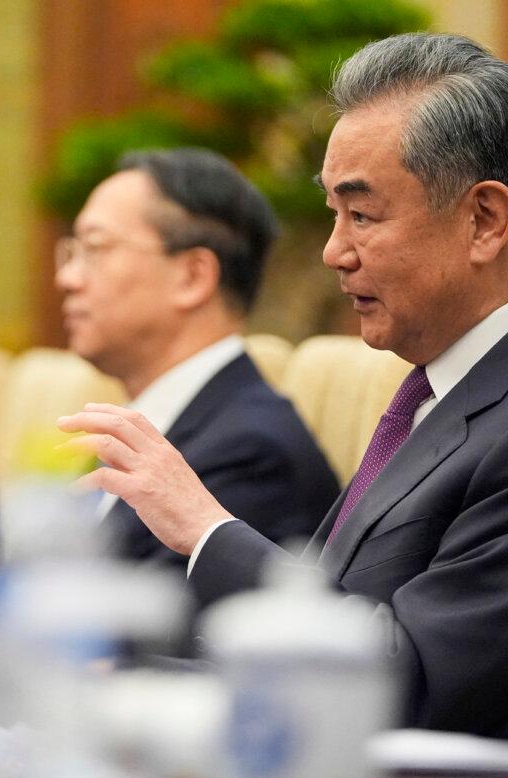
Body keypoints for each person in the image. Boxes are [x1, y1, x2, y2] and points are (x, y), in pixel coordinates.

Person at [58, 33, 508, 755]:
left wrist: (206, 530)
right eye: (332, 212)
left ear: (484, 220)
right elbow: (334, 623)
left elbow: (405, 679)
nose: (332, 250)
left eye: (363, 214)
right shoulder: (438, 393)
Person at [55, 148, 337, 567]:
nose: (67, 278)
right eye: (70, 252)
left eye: (95, 249)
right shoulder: (147, 427)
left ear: (193, 277)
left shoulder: (252, 453)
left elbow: (144, 624)